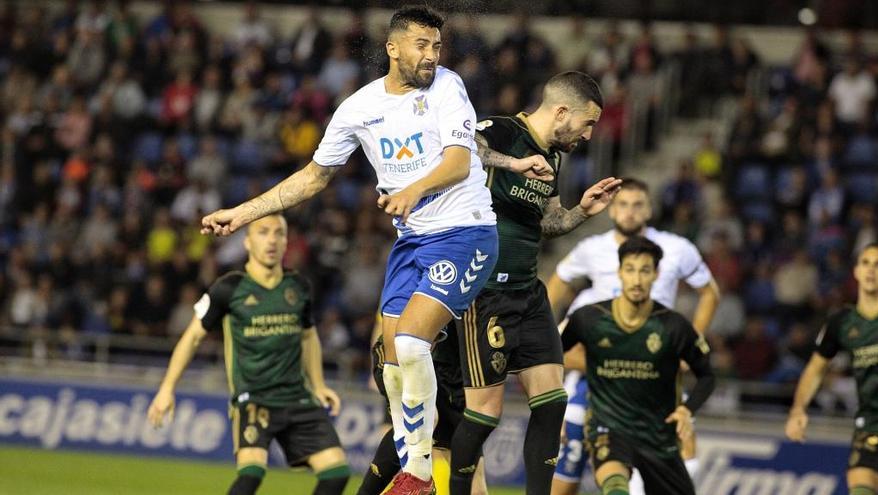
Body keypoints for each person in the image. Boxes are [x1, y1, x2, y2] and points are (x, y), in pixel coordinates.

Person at [199, 7, 551, 494]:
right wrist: (243, 214)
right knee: (389, 362)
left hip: (466, 233)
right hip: (412, 243)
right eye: (421, 46)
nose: (431, 56)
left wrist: (412, 192)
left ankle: (420, 473)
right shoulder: (359, 108)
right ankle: (414, 461)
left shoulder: (447, 86)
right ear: (393, 48)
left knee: (409, 342)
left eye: (436, 46)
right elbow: (314, 176)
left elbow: (457, 160)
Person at [448, 71, 622, 495]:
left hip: (528, 292)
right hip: (484, 291)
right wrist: (513, 162)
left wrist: (583, 210)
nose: (588, 134)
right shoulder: (502, 130)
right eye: (587, 122)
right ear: (562, 111)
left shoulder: (554, 157)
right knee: (485, 414)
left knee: (552, 402)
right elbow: (462, 149)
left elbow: (548, 223)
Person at [147, 214, 349, 495]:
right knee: (251, 475)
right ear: (247, 241)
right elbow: (192, 337)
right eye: (263, 232)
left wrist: (318, 385)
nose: (272, 240)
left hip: (296, 396)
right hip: (254, 399)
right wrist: (167, 388)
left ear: (286, 242)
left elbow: (308, 335)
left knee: (336, 474)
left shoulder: (298, 287)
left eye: (279, 233)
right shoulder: (229, 288)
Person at [546, 178, 719, 495]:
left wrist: (691, 342)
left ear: (650, 209)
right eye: (623, 204)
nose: (629, 212)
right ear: (612, 210)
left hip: (654, 364)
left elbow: (710, 294)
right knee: (570, 466)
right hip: (597, 361)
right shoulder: (592, 252)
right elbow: (555, 290)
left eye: (637, 204)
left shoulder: (676, 249)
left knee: (682, 444)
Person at [786, 243, 878, 495]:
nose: (871, 270)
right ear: (856, 272)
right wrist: (798, 409)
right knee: (861, 485)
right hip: (869, 424)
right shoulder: (842, 322)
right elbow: (816, 368)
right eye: (866, 263)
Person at [359, 317, 488, 495]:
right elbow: (386, 317)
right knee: (416, 425)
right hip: (414, 365)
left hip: (458, 384)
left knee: (477, 489)